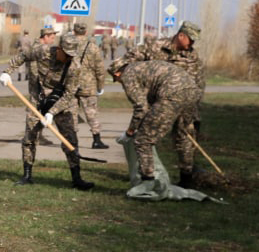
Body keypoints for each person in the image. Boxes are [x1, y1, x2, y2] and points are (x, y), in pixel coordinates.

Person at [0, 32, 94, 190]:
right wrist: (7, 72)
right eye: (67, 54)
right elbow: (23, 56)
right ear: (59, 49)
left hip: (62, 102)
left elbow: (69, 94)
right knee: (29, 138)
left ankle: (77, 178)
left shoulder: (74, 67)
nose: (69, 58)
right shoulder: (43, 51)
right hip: (38, 100)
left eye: (72, 55)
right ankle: (27, 175)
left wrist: (52, 113)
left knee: (70, 139)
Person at [119, 21, 204, 186]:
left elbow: (199, 84)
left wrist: (195, 112)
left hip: (183, 100)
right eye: (191, 39)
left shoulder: (192, 57)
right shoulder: (155, 46)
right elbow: (129, 61)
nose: (192, 44)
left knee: (184, 137)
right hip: (155, 102)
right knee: (147, 137)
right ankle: (146, 173)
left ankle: (185, 178)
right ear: (181, 35)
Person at [109, 56, 199, 186]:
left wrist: (130, 131)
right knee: (183, 135)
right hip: (192, 91)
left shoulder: (127, 75)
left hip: (171, 95)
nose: (119, 82)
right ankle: (187, 180)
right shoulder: (142, 67)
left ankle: (148, 184)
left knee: (143, 140)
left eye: (116, 79)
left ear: (117, 73)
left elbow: (141, 108)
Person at [71, 23, 110, 149]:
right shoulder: (93, 47)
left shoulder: (68, 45)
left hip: (70, 84)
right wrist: (100, 85)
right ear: (86, 32)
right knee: (91, 113)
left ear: (74, 32)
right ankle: (96, 140)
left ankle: (72, 141)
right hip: (88, 85)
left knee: (72, 113)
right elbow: (99, 69)